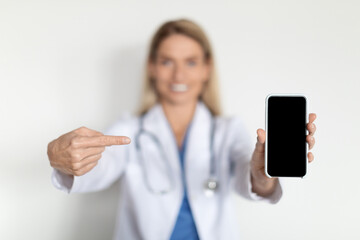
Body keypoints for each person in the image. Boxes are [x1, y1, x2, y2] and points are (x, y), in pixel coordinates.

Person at [47, 19, 317, 240]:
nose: (178, 75)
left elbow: (249, 180)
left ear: (206, 69)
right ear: (152, 67)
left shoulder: (227, 130)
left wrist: (263, 172)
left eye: (190, 62)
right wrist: (68, 162)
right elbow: (102, 167)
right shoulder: (129, 128)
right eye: (166, 62)